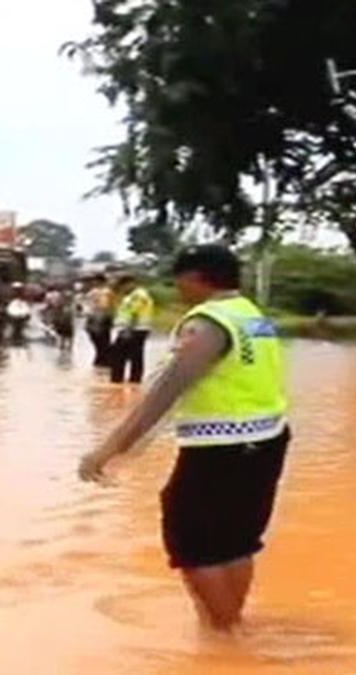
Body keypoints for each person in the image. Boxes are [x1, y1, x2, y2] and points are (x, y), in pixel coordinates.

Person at [78, 245, 291, 631]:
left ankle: (226, 636)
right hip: (268, 438)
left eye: (179, 280)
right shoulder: (252, 316)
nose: (177, 289)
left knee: (190, 542)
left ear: (196, 277)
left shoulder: (207, 323)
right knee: (237, 540)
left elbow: (166, 391)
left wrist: (108, 449)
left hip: (220, 447)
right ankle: (226, 623)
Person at [109, 275, 154, 384]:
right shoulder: (134, 295)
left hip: (133, 330)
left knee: (119, 357)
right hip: (135, 329)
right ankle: (133, 382)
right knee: (135, 357)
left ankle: (119, 381)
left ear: (131, 283)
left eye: (123, 286)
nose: (123, 289)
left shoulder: (138, 295)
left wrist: (127, 330)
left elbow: (134, 313)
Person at [83, 275, 116, 366]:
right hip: (95, 317)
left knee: (102, 340)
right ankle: (102, 358)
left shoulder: (106, 292)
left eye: (95, 281)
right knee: (99, 339)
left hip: (100, 317)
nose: (93, 283)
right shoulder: (93, 292)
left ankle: (103, 360)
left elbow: (105, 306)